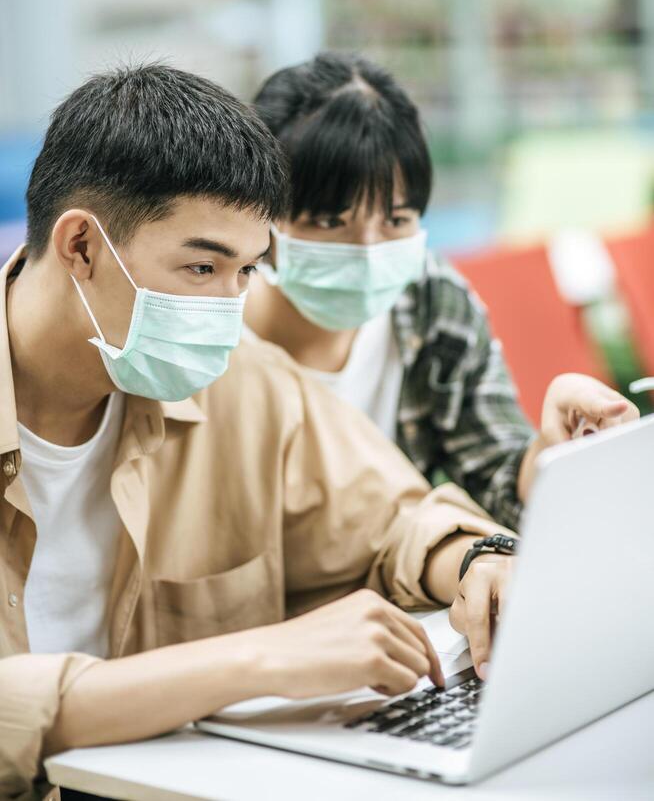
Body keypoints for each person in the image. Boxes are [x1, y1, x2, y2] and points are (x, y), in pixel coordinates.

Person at [2, 65, 521, 800]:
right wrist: (256, 660)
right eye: (203, 265)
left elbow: (394, 520)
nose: (228, 307)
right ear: (82, 247)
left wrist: (478, 564)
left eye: (246, 271)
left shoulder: (243, 382)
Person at [245, 52, 638, 530]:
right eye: (331, 221)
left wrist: (553, 451)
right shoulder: (206, 337)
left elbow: (496, 475)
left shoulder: (432, 302)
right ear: (260, 217)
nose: (369, 250)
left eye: (395, 219)